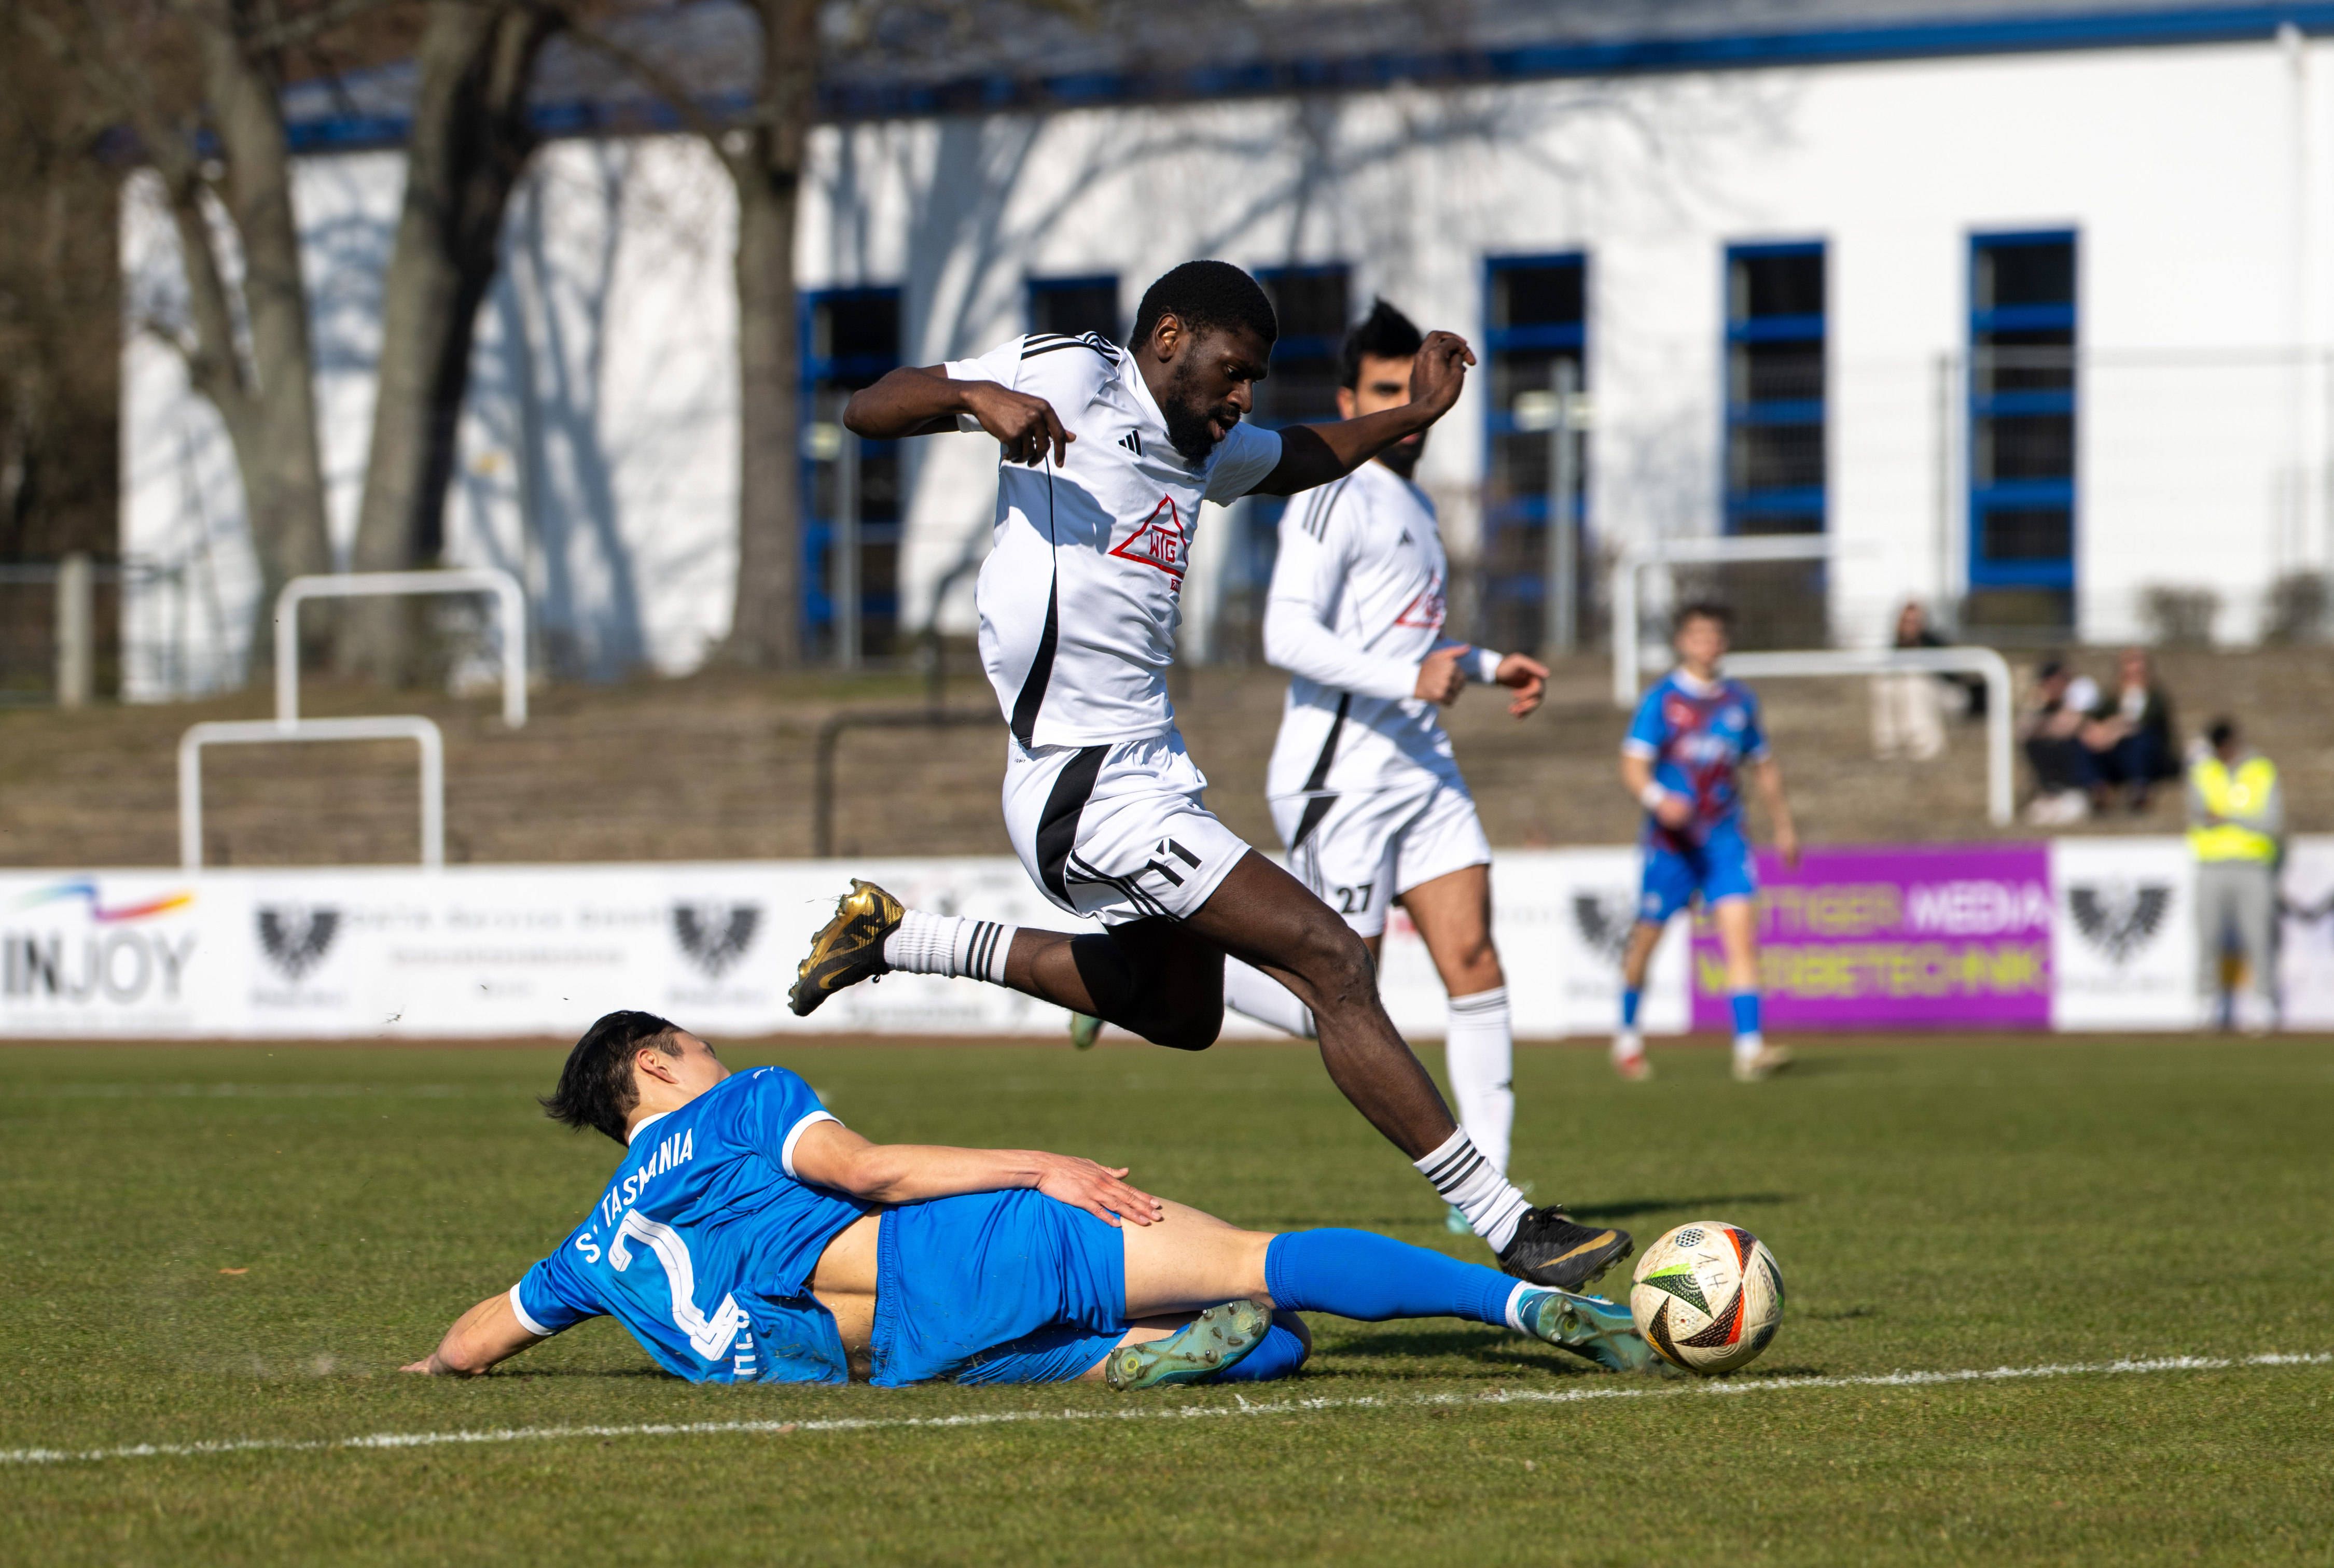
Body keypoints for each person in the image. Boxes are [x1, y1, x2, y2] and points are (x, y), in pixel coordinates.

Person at [791, 260, 1631, 1294]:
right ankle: (1508, 1222)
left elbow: (1302, 455)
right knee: (1330, 956)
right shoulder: (1074, 375)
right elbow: (869, 404)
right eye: (1235, 372)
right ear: (1171, 337)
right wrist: (974, 397)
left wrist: (1414, 413)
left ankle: (904, 936)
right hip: (1084, 784)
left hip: (1143, 776)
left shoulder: (1203, 449)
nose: (1243, 398)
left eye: (1257, 382)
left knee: (1183, 1013)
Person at [401, 1012, 1656, 1390]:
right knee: (1255, 1263)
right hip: (945, 1255)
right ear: (653, 1069)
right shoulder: (742, 1104)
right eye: (699, 1044)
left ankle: (1128, 1363)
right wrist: (1037, 1167)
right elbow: (868, 1173)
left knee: (1269, 1351)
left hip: (882, 1363)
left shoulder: (592, 1240)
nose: (718, 1055)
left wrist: (416, 1376)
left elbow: (478, 1335)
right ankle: (1518, 1305)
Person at [1186, 299, 1549, 1238]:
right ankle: (1178, 954)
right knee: (1340, 996)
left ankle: (1495, 1201)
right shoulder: (1333, 492)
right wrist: (1411, 672)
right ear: (1354, 399)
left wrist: (1479, 663)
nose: (1412, 407)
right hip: (1340, 772)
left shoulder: (1418, 505)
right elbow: (1285, 634)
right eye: (1390, 392)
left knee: (1473, 956)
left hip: (1422, 762)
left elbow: (1410, 641)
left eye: (1417, 390)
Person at [1609, 602, 1800, 1084]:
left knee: (1741, 937)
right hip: (1671, 843)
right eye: (1698, 635)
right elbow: (1632, 765)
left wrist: (1784, 826)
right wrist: (1658, 799)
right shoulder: (1661, 700)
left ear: (1726, 642)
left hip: (1724, 839)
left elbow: (1764, 765)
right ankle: (1628, 1035)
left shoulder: (1739, 701)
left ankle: (1749, 1049)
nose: (1707, 643)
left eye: (1715, 635)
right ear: (1682, 641)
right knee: (1646, 941)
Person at [2188, 719, 2283, 1032]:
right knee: (2208, 938)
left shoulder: (2261, 770)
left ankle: (2264, 1004)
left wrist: (2229, 817)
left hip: (2253, 866)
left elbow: (2272, 821)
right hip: (2212, 865)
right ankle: (2206, 1005)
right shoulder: (2203, 770)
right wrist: (2238, 818)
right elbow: (2198, 814)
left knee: (2258, 938)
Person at [2083, 647, 2178, 811]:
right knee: (2087, 740)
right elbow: (2095, 717)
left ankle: (2140, 788)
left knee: (2141, 740)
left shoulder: (2155, 696)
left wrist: (2115, 730)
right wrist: (2097, 731)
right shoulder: (2112, 698)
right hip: (2117, 755)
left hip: (2150, 757)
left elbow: (2145, 722)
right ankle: (2098, 788)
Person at [2018, 657, 2097, 825]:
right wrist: (2036, 704)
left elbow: (2065, 727)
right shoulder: (2041, 709)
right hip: (2049, 794)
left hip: (2076, 792)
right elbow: (2023, 731)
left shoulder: (2079, 701)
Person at [1870, 600, 1948, 761]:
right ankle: (1888, 743)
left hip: (1943, 694)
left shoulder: (1935, 644)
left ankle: (1923, 743)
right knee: (1883, 684)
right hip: (1903, 691)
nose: (1910, 626)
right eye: (1906, 621)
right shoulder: (1894, 648)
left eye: (1914, 621)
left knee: (1914, 684)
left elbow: (1951, 677)